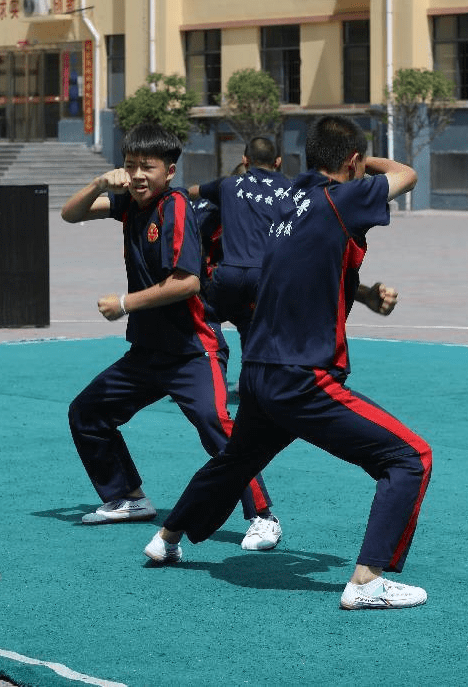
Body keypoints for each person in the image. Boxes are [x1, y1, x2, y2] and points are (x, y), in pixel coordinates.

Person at [141, 115, 432, 610]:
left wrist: (362, 294)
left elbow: (310, 268)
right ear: (351, 163)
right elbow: (407, 173)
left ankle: (166, 538)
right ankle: (367, 582)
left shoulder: (290, 202)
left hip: (260, 371)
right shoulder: (341, 197)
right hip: (302, 377)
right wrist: (366, 162)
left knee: (236, 460)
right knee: (408, 457)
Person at [60, 123, 282, 551]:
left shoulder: (175, 206)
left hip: (193, 351)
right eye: (130, 166)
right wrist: (97, 182)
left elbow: (187, 283)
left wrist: (124, 303)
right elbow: (70, 213)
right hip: (148, 351)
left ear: (170, 171)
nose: (138, 175)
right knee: (87, 414)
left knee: (218, 428)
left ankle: (262, 516)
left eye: (148, 167)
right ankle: (126, 497)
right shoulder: (129, 204)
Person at [188, 137, 292, 349]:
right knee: (254, 326)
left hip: (228, 276)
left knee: (205, 317)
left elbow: (193, 192)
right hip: (265, 277)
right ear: (278, 161)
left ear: (245, 160)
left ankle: (207, 361)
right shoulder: (290, 189)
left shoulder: (226, 186)